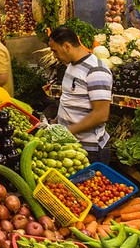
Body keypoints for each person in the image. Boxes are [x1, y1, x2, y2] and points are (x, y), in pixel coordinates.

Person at [47, 26, 113, 164]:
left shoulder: (96, 71)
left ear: (66, 46)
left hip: (89, 150)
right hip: (73, 145)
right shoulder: (72, 65)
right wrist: (55, 123)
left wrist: (67, 132)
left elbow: (101, 114)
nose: (54, 56)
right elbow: (70, 99)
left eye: (55, 51)